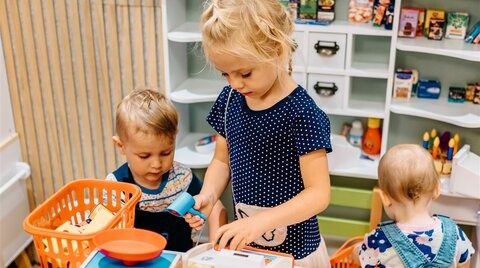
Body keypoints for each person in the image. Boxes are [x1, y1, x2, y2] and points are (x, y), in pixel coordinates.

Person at [184, 0, 332, 266]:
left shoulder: (302, 113)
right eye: (225, 74)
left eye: (245, 73)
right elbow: (221, 160)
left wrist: (261, 222)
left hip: (296, 254)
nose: (235, 83)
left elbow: (319, 193)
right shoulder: (231, 99)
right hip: (249, 249)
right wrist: (208, 195)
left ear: (275, 50)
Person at [106, 88, 227, 252]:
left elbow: (215, 206)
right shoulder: (116, 187)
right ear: (121, 146)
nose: (156, 164)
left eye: (165, 153)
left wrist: (216, 243)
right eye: (144, 156)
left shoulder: (182, 178)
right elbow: (106, 232)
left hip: (181, 259)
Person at [357, 144, 475, 267]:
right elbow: (465, 265)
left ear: (385, 199)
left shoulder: (377, 240)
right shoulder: (454, 233)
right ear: (436, 190)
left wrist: (357, 250)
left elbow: (360, 259)